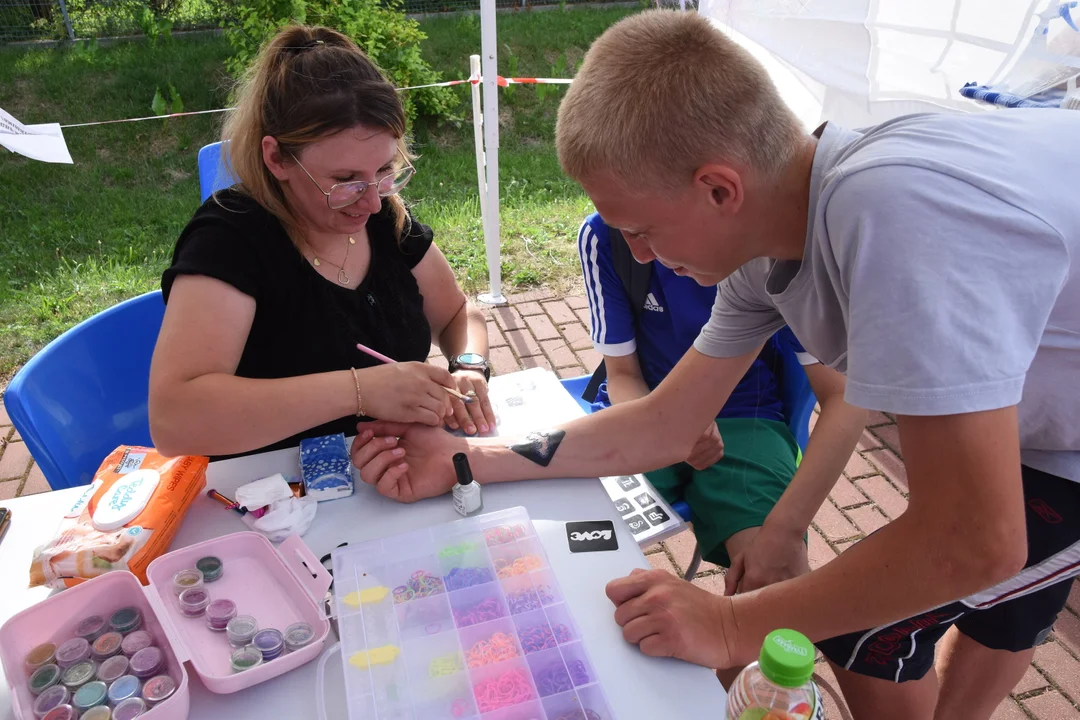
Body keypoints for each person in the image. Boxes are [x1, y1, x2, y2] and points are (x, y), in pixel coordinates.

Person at [349, 10, 1080, 720]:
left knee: (871, 629)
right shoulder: (778, 231)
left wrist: (732, 628)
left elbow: (971, 539)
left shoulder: (894, 214)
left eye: (639, 230)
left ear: (719, 188)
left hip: (1063, 445)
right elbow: (666, 425)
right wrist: (468, 460)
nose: (636, 255)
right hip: (1041, 413)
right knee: (943, 605)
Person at [149, 25, 496, 460]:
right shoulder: (231, 239)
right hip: (273, 501)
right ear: (276, 158)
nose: (371, 202)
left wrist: (468, 365)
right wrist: (359, 391)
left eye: (386, 171)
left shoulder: (384, 215)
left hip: (395, 478)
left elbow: (459, 314)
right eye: (345, 180)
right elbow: (175, 421)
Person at [579, 213, 865, 604]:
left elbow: (844, 396)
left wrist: (783, 533)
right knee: (579, 546)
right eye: (625, 230)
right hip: (643, 410)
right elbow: (621, 374)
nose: (640, 253)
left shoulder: (773, 245)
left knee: (773, 583)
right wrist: (670, 424)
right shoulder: (606, 236)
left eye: (645, 228)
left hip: (745, 415)